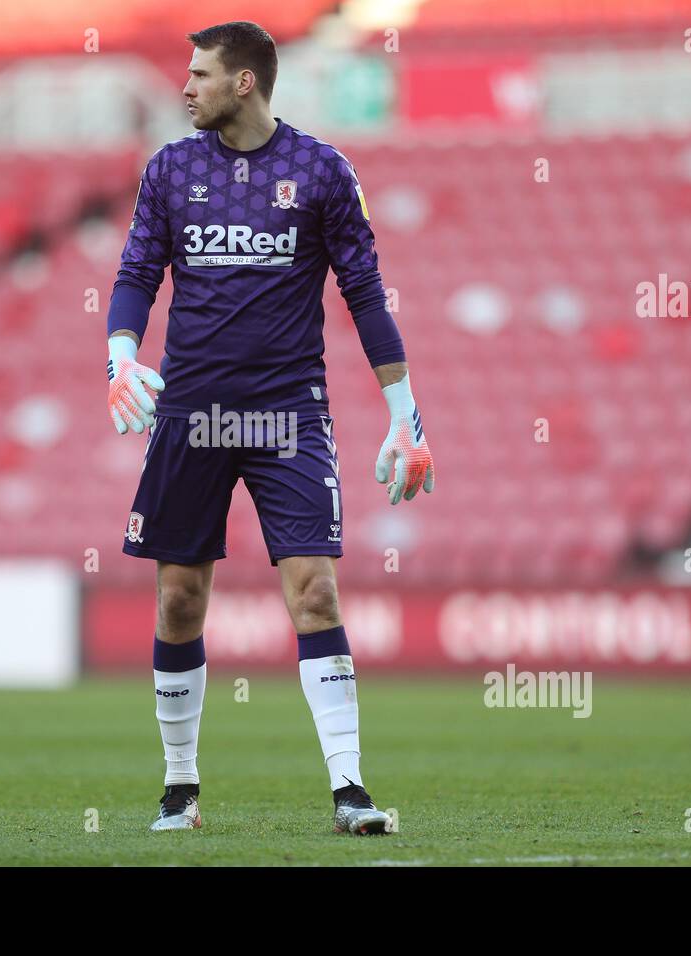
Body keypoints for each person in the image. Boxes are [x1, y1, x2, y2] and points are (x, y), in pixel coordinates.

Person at [105, 21, 434, 835]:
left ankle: (351, 792)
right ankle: (181, 790)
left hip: (289, 414)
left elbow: (366, 297)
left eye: (199, 73)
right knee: (180, 603)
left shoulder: (321, 171)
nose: (184, 86)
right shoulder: (170, 169)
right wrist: (120, 358)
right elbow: (137, 273)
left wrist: (405, 416)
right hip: (190, 414)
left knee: (316, 591)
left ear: (243, 82)